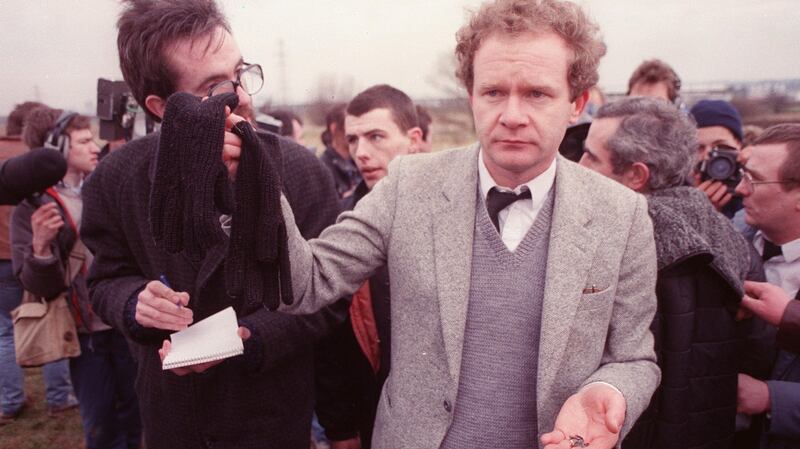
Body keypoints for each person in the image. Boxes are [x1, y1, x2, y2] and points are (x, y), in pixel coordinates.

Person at [227, 1, 660, 448]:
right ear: (471, 94)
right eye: (493, 92)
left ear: (577, 104)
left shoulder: (620, 215)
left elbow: (634, 357)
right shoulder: (409, 186)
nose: (512, 114)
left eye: (537, 93)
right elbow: (305, 283)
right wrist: (250, 177)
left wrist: (610, 391)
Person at [80, 1, 347, 448]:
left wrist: (246, 338)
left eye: (241, 73)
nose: (242, 95)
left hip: (272, 420)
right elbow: (105, 280)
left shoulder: (302, 172)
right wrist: (134, 303)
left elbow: (329, 301)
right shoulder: (116, 179)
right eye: (215, 87)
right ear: (162, 106)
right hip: (173, 421)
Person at [578, 96, 772, 449]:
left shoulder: (619, 251)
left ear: (636, 175)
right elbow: (760, 352)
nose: (578, 164)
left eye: (591, 155)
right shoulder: (731, 240)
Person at [11, 106, 141, 448]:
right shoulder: (32, 209)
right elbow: (38, 286)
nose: (94, 146)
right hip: (86, 334)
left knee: (137, 414)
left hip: (126, 323)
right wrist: (40, 248)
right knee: (100, 423)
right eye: (83, 141)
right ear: (55, 150)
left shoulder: (106, 187)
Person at [315, 84, 423, 449]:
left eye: (376, 137)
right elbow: (330, 339)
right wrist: (340, 428)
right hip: (374, 416)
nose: (361, 153)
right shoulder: (343, 222)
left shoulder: (459, 212)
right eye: (353, 140)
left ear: (414, 140)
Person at [0, 102, 77, 424]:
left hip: (4, 260)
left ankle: (9, 401)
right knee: (50, 317)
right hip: (30, 255)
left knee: (5, 332)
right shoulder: (41, 160)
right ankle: (59, 397)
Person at [732, 124, 800, 448]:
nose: (739, 190)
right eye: (743, 175)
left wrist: (773, 398)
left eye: (754, 180)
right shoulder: (726, 239)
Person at [690, 99, 746, 217]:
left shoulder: (755, 191)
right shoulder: (676, 194)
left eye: (720, 146)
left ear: (738, 145)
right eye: (699, 148)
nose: (708, 156)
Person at [320, 104, 362, 199]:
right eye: (351, 126)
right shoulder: (323, 169)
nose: (357, 131)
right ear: (334, 128)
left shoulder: (361, 160)